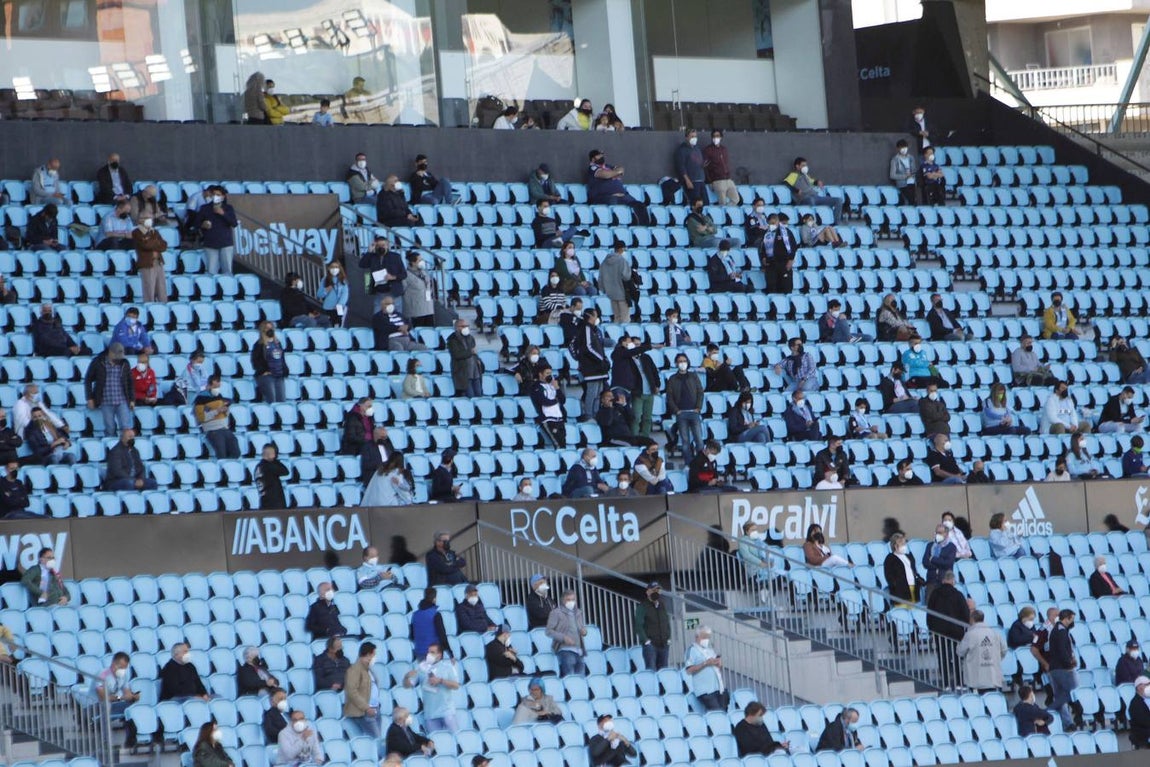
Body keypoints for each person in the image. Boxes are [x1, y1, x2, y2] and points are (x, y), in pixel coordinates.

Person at [402, 642, 461, 732]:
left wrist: (441, 681)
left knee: (454, 738)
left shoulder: (448, 667)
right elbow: (407, 685)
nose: (429, 655)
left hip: (447, 712)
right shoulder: (421, 668)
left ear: (439, 655)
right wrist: (406, 677)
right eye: (428, 652)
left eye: (432, 652)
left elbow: (456, 686)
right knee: (434, 742)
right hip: (430, 714)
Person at [926, 570, 969, 689]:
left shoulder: (934, 594)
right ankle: (959, 683)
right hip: (956, 631)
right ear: (952, 580)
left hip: (939, 631)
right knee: (956, 656)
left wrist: (931, 628)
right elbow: (965, 614)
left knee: (942, 656)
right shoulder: (958, 595)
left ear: (943, 580)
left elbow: (930, 613)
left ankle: (945, 684)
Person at [586, 149, 650, 224]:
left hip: (624, 196)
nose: (601, 157)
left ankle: (644, 226)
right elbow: (606, 175)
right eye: (599, 155)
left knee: (640, 205)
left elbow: (621, 169)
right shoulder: (592, 168)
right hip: (605, 197)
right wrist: (614, 173)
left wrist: (613, 172)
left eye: (602, 155)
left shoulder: (608, 166)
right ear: (593, 159)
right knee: (614, 206)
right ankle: (618, 225)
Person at [84, 343, 134, 437]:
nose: (119, 358)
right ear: (110, 352)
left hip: (122, 399)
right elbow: (88, 380)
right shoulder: (98, 362)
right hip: (105, 401)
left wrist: (132, 399)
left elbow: (130, 382)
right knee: (110, 428)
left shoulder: (125, 363)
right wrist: (89, 398)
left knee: (125, 426)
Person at [666, 354, 705, 463]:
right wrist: (676, 410)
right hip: (681, 413)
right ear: (676, 363)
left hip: (694, 412)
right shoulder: (672, 379)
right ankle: (689, 463)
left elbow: (700, 392)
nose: (682, 363)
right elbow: (669, 397)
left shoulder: (693, 376)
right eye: (680, 361)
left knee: (699, 440)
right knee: (685, 441)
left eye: (684, 360)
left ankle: (701, 462)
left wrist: (698, 407)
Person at [957, 610, 1007, 693]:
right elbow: (1004, 649)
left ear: (972, 619)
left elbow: (960, 651)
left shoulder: (970, 634)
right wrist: (997, 659)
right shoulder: (994, 633)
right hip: (992, 675)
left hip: (976, 676)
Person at [783, 157, 843, 224]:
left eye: (806, 165)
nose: (805, 167)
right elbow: (786, 183)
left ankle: (835, 223)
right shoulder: (793, 175)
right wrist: (796, 190)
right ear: (797, 166)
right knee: (811, 200)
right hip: (804, 199)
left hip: (816, 197)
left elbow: (812, 181)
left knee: (838, 200)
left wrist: (817, 182)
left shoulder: (806, 175)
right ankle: (815, 222)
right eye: (803, 165)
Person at [194, 188, 239, 276]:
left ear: (223, 196)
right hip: (210, 242)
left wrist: (223, 213)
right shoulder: (205, 208)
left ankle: (228, 288)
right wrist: (203, 225)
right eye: (214, 194)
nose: (216, 197)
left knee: (227, 270)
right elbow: (196, 224)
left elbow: (234, 223)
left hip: (225, 242)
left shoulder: (228, 208)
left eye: (218, 195)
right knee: (211, 271)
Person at [193, 376, 240, 459]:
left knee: (235, 451)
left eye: (218, 387)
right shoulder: (200, 399)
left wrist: (226, 410)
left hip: (224, 428)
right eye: (215, 387)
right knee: (222, 454)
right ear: (209, 386)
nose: (217, 389)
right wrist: (217, 411)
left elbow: (225, 414)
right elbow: (201, 418)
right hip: (213, 430)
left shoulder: (219, 396)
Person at [1047, 609, 1079, 731]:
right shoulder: (1061, 631)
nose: (1073, 622)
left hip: (1057, 668)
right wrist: (1069, 663)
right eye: (1072, 619)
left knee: (1061, 696)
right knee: (1068, 694)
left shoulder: (1060, 630)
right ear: (1067, 618)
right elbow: (1062, 651)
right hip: (1061, 669)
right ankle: (1047, 711)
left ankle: (1068, 723)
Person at [343, 641, 383, 738]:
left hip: (375, 708)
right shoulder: (354, 670)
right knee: (376, 738)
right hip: (364, 711)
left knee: (378, 738)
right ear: (368, 654)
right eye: (374, 655)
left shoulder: (369, 670)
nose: (375, 657)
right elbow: (351, 691)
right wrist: (366, 708)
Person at [684, 626, 727, 711]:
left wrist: (718, 664)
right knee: (716, 713)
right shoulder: (691, 650)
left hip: (718, 688)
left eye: (708, 637)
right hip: (705, 690)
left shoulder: (710, 650)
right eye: (704, 637)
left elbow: (716, 668)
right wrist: (705, 663)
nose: (706, 640)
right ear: (697, 636)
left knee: (723, 713)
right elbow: (689, 670)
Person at [546, 590, 588, 677]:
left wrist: (584, 631)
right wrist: (563, 638)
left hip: (579, 650)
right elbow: (549, 631)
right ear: (562, 601)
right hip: (565, 650)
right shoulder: (556, 613)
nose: (571, 602)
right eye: (568, 600)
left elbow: (581, 627)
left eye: (573, 599)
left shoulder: (578, 613)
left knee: (581, 678)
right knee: (570, 678)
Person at [634, 582, 671, 670]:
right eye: (654, 590)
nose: (656, 592)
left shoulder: (662, 605)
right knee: (651, 670)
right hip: (651, 646)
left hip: (664, 644)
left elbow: (667, 622)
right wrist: (646, 641)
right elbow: (638, 625)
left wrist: (668, 638)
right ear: (648, 592)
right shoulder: (642, 607)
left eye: (658, 590)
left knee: (663, 671)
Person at [531, 363, 567, 448]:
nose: (549, 375)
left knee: (563, 443)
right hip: (548, 419)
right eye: (547, 373)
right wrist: (556, 400)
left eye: (550, 373)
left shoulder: (552, 385)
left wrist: (557, 388)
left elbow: (563, 400)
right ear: (541, 374)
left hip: (559, 418)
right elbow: (544, 401)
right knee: (558, 444)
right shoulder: (536, 387)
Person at [883, 533, 923, 608]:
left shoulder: (909, 556)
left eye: (905, 543)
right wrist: (896, 585)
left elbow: (913, 570)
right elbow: (889, 575)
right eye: (902, 544)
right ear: (895, 545)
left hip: (913, 587)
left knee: (913, 610)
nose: (904, 546)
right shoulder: (890, 558)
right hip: (900, 591)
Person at [447, 319, 482, 398]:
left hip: (475, 372)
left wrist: (478, 360)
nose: (466, 328)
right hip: (463, 373)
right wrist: (470, 352)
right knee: (470, 396)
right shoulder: (452, 340)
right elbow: (457, 355)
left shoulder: (470, 338)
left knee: (479, 395)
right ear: (457, 327)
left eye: (467, 326)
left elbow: (474, 352)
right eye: (463, 326)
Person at [702, 129, 739, 205]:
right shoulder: (708, 150)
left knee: (736, 199)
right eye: (714, 136)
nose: (716, 138)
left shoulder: (724, 149)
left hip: (728, 179)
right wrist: (709, 181)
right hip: (717, 181)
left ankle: (727, 211)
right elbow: (705, 167)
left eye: (718, 136)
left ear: (721, 137)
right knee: (722, 202)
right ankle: (723, 214)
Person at [599, 241, 633, 322]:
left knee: (616, 317)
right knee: (625, 318)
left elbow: (601, 277)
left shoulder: (605, 261)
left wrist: (603, 289)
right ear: (621, 249)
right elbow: (626, 276)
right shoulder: (622, 261)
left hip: (611, 293)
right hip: (622, 293)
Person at [675, 129, 707, 204]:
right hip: (692, 182)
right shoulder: (682, 150)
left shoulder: (697, 149)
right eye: (692, 136)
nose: (694, 138)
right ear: (686, 137)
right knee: (696, 204)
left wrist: (703, 165)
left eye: (695, 136)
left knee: (706, 203)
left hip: (701, 180)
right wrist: (687, 180)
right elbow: (681, 166)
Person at [922, 525, 958, 593]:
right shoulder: (930, 545)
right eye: (936, 532)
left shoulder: (951, 547)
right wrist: (939, 565)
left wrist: (932, 559)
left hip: (945, 581)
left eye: (940, 533)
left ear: (946, 534)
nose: (937, 534)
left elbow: (948, 563)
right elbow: (925, 562)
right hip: (931, 581)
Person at [255, 444, 288, 511]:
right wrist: (276, 461)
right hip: (274, 503)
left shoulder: (259, 467)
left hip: (264, 501)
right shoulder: (268, 466)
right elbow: (285, 471)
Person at [317, 261, 349, 327]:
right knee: (329, 325)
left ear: (340, 268)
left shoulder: (343, 280)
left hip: (339, 308)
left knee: (339, 325)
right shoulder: (325, 279)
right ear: (329, 268)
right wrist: (326, 291)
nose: (334, 269)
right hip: (328, 307)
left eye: (336, 267)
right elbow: (319, 294)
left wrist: (339, 304)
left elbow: (345, 294)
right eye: (332, 267)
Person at [889, 139, 917, 205]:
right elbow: (892, 175)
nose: (904, 149)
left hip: (912, 182)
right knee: (910, 200)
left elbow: (914, 170)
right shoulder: (895, 160)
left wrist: (912, 174)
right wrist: (905, 176)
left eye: (905, 147)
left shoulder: (911, 158)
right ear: (898, 148)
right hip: (902, 184)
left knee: (914, 200)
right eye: (902, 147)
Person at [1131, 677, 1150, 749]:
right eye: (1146, 685)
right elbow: (1143, 721)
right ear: (1139, 687)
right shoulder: (1135, 703)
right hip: (1143, 734)